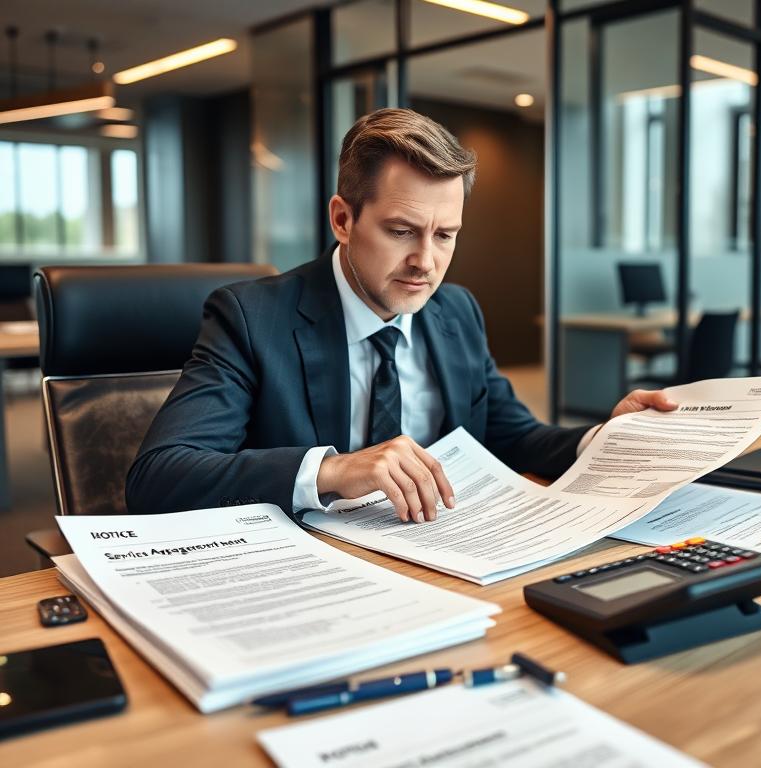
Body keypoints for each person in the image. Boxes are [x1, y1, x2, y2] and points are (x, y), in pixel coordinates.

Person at [126, 108, 677, 522]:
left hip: (444, 557)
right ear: (342, 220)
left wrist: (604, 439)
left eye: (446, 235)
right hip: (309, 574)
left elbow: (514, 437)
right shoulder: (250, 317)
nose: (426, 262)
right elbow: (159, 476)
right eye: (401, 231)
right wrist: (333, 470)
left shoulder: (456, 312)